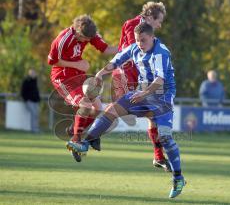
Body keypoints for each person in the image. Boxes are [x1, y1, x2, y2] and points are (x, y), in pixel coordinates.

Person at [67, 23, 186, 198]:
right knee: (111, 110)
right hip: (142, 92)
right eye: (137, 40)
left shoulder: (161, 52)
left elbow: (160, 80)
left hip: (162, 99)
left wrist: (144, 93)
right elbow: (115, 61)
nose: (140, 44)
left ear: (152, 38)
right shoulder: (134, 48)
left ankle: (178, 178)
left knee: (166, 137)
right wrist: (100, 74)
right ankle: (85, 143)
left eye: (143, 40)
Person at [48, 14, 118, 162]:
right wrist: (77, 64)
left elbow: (105, 49)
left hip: (79, 77)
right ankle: (75, 140)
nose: (87, 41)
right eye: (85, 39)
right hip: (63, 78)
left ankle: (77, 131)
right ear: (78, 31)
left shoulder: (90, 33)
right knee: (85, 105)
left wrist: (128, 49)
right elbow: (52, 61)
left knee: (97, 108)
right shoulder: (62, 39)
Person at [112, 1, 170, 171]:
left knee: (153, 115)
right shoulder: (133, 25)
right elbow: (135, 52)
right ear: (150, 17)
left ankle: (158, 157)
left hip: (139, 76)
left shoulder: (146, 32)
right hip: (125, 75)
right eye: (158, 21)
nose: (159, 25)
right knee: (117, 109)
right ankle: (84, 136)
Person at [20, 68, 41, 133]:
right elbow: (22, 92)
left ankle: (36, 128)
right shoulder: (26, 81)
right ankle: (33, 129)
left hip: (36, 101)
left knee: (36, 115)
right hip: (29, 101)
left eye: (34, 73)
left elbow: (36, 91)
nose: (33, 74)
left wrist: (38, 99)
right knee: (33, 114)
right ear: (29, 73)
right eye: (31, 73)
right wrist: (26, 100)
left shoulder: (35, 81)